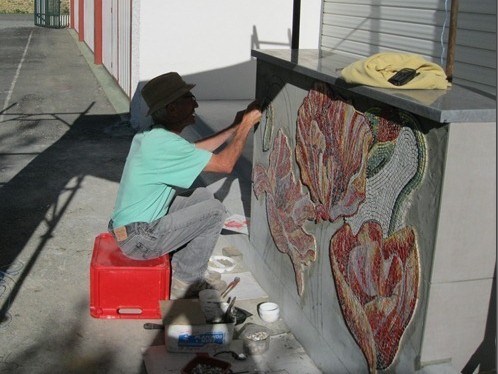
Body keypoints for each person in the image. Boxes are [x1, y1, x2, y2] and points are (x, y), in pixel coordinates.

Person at [108, 72, 261, 299]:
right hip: (138, 240)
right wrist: (246, 125)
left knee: (200, 196)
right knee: (214, 212)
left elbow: (196, 151)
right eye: (189, 97)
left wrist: (234, 127)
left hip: (131, 229)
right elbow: (225, 165)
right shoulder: (163, 145)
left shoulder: (154, 136)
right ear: (172, 109)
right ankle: (186, 280)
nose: (196, 103)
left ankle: (183, 267)